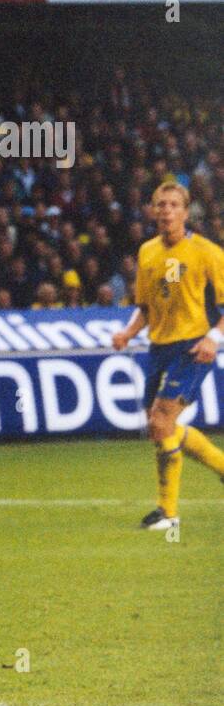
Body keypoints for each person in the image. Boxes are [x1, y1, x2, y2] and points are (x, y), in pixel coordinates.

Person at [111, 180, 224, 532]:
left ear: (186, 212)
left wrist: (214, 338)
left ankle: (168, 513)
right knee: (160, 428)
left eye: (174, 205)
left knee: (162, 422)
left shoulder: (207, 252)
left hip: (192, 347)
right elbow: (146, 304)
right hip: (159, 347)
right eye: (161, 205)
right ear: (153, 210)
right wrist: (128, 333)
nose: (166, 211)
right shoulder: (148, 252)